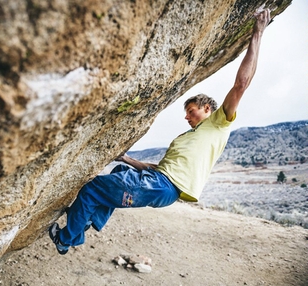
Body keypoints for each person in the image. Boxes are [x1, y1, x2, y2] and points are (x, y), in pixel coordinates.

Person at [49, 10, 271, 255]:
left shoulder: (218, 123)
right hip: (162, 187)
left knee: (92, 189)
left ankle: (66, 239)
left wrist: (258, 33)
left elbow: (241, 85)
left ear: (207, 108)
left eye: (191, 111)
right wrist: (126, 159)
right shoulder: (190, 138)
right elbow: (158, 170)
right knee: (122, 171)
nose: (186, 117)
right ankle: (91, 219)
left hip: (160, 187)